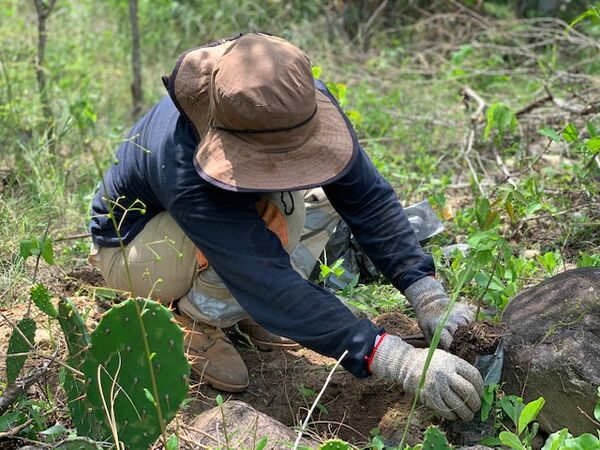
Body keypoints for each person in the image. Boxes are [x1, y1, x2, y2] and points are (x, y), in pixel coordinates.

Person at [89, 32, 483, 421]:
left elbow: (365, 197)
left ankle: (232, 310)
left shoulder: (292, 100)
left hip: (192, 226)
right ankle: (195, 319)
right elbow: (266, 280)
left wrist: (426, 293)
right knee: (262, 232)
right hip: (134, 244)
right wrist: (394, 358)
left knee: (287, 207)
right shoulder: (182, 157)